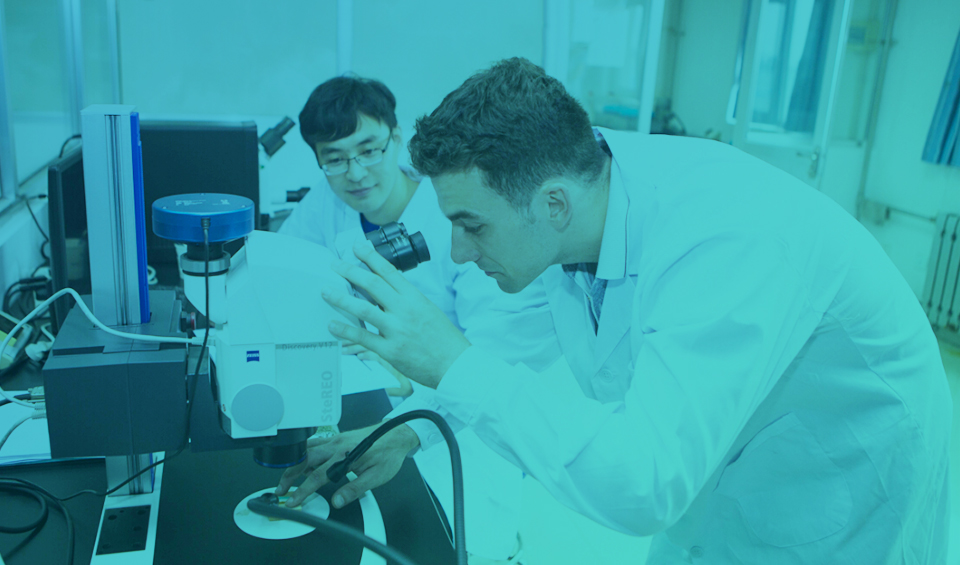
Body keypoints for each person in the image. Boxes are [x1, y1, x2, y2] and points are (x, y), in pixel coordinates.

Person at [320, 58, 953, 563]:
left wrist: (452, 361)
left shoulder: (724, 242)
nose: (458, 251)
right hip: (721, 478)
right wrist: (403, 432)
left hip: (840, 488)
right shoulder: (573, 190)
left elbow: (645, 484)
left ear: (554, 204)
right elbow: (510, 348)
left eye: (472, 225)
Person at [274, 76, 560, 564]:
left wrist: (405, 371)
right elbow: (284, 276)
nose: (355, 172)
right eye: (334, 158)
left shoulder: (456, 216)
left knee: (452, 543)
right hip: (364, 399)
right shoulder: (325, 200)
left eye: (369, 150)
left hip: (457, 423)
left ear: (396, 136)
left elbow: (498, 347)